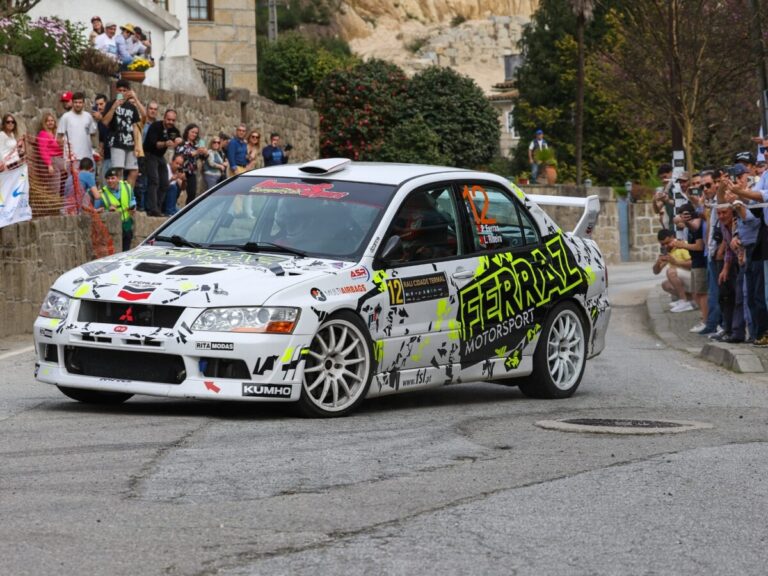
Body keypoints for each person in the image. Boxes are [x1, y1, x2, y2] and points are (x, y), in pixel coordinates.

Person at [101, 79, 146, 189]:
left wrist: (135, 98)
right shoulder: (111, 104)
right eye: (119, 90)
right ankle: (118, 198)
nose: (122, 92)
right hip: (116, 142)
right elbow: (105, 122)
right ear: (116, 91)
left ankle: (128, 197)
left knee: (134, 171)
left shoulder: (132, 107)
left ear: (128, 91)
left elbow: (140, 121)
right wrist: (114, 107)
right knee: (118, 171)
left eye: (124, 90)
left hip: (130, 143)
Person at [672, 203, 708, 325]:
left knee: (702, 293)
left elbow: (699, 246)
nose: (681, 220)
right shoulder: (689, 227)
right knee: (696, 293)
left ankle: (705, 320)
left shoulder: (696, 227)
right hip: (696, 263)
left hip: (700, 262)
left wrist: (683, 245)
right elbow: (676, 220)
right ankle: (703, 318)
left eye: (684, 216)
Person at [142, 109, 181, 216]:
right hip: (149, 154)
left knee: (164, 182)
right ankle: (152, 208)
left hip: (159, 156)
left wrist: (178, 140)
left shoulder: (172, 129)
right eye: (169, 120)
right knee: (154, 180)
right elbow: (155, 144)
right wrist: (165, 143)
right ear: (164, 118)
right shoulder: (155, 126)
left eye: (173, 120)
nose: (171, 122)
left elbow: (178, 137)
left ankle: (158, 208)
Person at [653, 228, 693, 311]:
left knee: (671, 272)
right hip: (686, 280)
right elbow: (656, 272)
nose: (665, 246)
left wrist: (676, 262)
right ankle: (691, 300)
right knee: (665, 285)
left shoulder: (682, 245)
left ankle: (684, 301)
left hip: (694, 278)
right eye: (662, 244)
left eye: (667, 243)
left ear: (672, 237)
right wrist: (658, 263)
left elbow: (692, 264)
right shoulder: (668, 251)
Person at [100, 167, 136, 251]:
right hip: (112, 227)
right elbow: (98, 211)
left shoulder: (127, 186)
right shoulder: (103, 193)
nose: (110, 181)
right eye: (108, 178)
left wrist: (133, 206)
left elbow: (132, 199)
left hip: (127, 222)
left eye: (113, 178)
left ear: (118, 178)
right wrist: (108, 210)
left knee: (126, 250)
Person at [57, 92, 97, 162]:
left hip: (87, 157)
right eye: (75, 102)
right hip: (72, 159)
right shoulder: (66, 117)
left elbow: (93, 135)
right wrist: (66, 153)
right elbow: (59, 137)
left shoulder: (88, 116)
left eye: (80, 102)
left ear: (84, 103)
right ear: (72, 103)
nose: (78, 105)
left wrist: (94, 150)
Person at [174, 124, 207, 205]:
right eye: (192, 132)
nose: (194, 134)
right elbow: (181, 155)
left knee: (192, 194)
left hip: (191, 172)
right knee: (177, 191)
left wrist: (205, 154)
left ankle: (187, 212)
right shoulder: (182, 143)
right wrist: (195, 152)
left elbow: (202, 158)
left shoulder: (196, 145)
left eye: (196, 133)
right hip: (181, 171)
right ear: (187, 132)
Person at [37, 112, 65, 195]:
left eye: (52, 120)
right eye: (48, 121)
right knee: (55, 184)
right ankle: (54, 200)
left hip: (59, 159)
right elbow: (43, 150)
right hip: (51, 160)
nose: (50, 122)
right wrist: (49, 164)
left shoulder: (56, 134)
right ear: (44, 123)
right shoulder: (43, 134)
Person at [93, 94, 111, 183]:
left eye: (101, 104)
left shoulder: (112, 115)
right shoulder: (99, 121)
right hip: (106, 156)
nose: (99, 107)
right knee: (103, 182)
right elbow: (102, 138)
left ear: (106, 103)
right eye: (97, 105)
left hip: (114, 155)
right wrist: (100, 149)